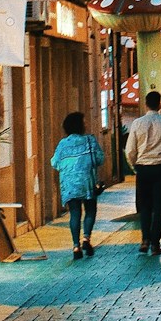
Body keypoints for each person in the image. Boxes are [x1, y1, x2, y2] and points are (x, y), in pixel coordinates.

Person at [123, 89, 161, 255]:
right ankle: (156, 243)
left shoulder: (137, 123)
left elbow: (130, 150)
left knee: (145, 205)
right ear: (159, 104)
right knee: (159, 205)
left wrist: (135, 166)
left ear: (146, 104)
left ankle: (145, 239)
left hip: (143, 168)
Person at [50, 111, 106, 259]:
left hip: (69, 184)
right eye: (84, 122)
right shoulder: (89, 141)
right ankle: (86, 238)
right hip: (87, 182)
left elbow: (54, 163)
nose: (86, 124)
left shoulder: (62, 144)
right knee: (90, 210)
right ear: (80, 125)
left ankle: (76, 247)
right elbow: (100, 159)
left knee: (74, 214)